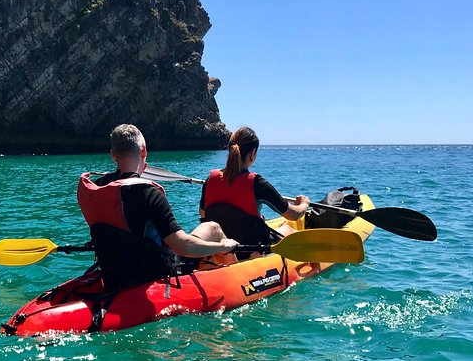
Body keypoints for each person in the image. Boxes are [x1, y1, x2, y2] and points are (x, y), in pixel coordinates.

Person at [77, 124, 238, 291]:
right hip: (152, 273)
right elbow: (182, 246)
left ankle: (211, 274)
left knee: (207, 230)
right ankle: (238, 282)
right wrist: (224, 246)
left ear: (113, 155)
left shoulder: (97, 188)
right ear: (144, 151)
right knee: (213, 228)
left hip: (114, 274)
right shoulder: (148, 192)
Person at [199, 126, 310, 258]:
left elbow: (203, 214)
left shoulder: (210, 179)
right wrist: (304, 204)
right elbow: (294, 215)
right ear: (253, 153)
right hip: (251, 249)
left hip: (220, 248)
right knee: (289, 230)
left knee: (280, 226)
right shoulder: (257, 183)